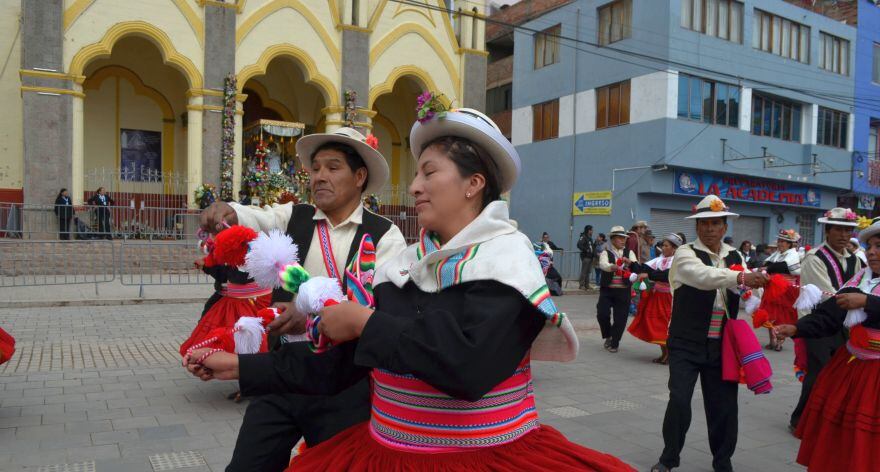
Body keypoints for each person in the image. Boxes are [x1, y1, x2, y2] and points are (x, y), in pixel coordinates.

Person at [187, 108, 634, 471]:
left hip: (481, 458)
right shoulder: (405, 264)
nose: (415, 187)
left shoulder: (508, 261)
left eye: (429, 173)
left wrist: (363, 320)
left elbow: (468, 369)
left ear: (474, 184)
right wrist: (241, 367)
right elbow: (341, 365)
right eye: (416, 174)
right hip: (385, 451)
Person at [197, 127, 407, 472]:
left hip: (344, 382)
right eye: (316, 168)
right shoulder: (294, 217)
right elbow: (258, 217)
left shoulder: (385, 235)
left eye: (333, 167)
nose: (320, 177)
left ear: (359, 176)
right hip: (283, 372)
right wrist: (228, 211)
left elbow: (375, 310)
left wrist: (308, 315)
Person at [651, 195, 768, 472]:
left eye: (716, 223)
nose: (710, 228)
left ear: (725, 227)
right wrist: (740, 278)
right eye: (704, 223)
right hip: (685, 341)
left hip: (723, 343)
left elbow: (749, 289)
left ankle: (723, 461)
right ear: (697, 226)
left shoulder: (735, 255)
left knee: (724, 406)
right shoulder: (685, 253)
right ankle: (669, 459)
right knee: (679, 400)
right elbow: (702, 276)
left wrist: (758, 287)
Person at [773, 215, 880, 472]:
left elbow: (863, 305)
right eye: (872, 247)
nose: (873, 253)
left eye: (879, 247)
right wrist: (797, 328)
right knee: (842, 431)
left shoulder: (862, 284)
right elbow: (830, 314)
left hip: (875, 374)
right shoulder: (862, 278)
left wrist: (867, 303)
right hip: (852, 365)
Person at [788, 208, 861, 432]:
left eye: (848, 230)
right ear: (827, 230)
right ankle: (799, 419)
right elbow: (826, 294)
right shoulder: (815, 257)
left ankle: (823, 417)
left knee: (838, 371)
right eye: (838, 229)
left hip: (843, 323)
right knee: (819, 370)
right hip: (817, 322)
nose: (844, 235)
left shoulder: (855, 260)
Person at [628, 233, 683, 364]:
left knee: (666, 325)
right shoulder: (659, 260)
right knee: (656, 324)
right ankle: (664, 353)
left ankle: (669, 354)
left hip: (670, 298)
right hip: (657, 296)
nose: (662, 247)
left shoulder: (678, 261)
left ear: (674, 248)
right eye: (663, 245)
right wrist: (631, 263)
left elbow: (666, 276)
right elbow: (643, 268)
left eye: (666, 245)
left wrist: (649, 274)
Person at [597, 225, 639, 353]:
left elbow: (636, 266)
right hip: (607, 289)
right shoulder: (606, 252)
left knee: (620, 318)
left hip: (623, 290)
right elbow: (603, 265)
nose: (623, 241)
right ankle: (608, 335)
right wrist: (613, 267)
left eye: (624, 238)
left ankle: (614, 343)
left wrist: (630, 263)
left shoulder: (629, 253)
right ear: (613, 239)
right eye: (620, 238)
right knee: (602, 314)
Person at [759, 229, 802, 351]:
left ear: (789, 244)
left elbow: (783, 268)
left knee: (782, 317)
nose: (780, 244)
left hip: (786, 291)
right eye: (779, 241)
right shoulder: (777, 255)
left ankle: (779, 342)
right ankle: (772, 340)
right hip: (772, 288)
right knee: (769, 315)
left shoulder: (793, 255)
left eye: (783, 241)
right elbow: (770, 266)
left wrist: (768, 268)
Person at [577, 225, 596, 290]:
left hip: (590, 257)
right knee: (584, 271)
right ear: (588, 230)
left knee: (588, 272)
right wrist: (586, 250)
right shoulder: (583, 237)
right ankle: (581, 285)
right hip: (586, 257)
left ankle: (587, 284)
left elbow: (592, 247)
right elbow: (579, 245)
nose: (592, 231)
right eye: (591, 230)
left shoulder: (589, 238)